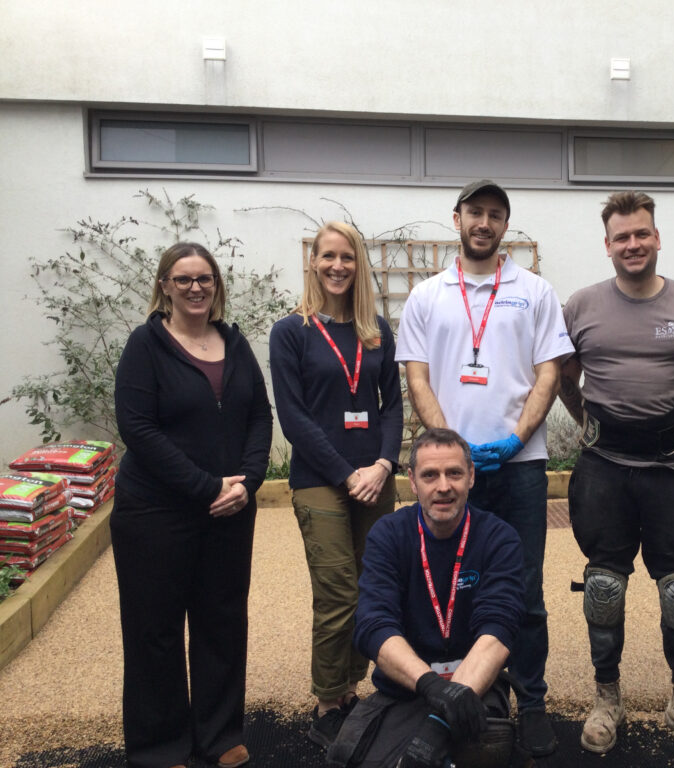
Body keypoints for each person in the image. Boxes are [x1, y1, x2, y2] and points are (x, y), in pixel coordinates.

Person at [395, 179, 574, 756]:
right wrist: (452, 452)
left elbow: (549, 373)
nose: (484, 222)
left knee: (524, 588)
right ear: (458, 219)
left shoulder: (535, 292)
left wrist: (517, 438)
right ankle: (464, 693)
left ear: (505, 225)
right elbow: (417, 376)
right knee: (451, 582)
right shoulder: (427, 295)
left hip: (520, 466)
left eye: (496, 214)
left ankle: (532, 702)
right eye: (475, 211)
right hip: (452, 471)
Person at [558, 191, 674, 758]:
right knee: (603, 586)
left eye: (642, 234)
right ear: (607, 245)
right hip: (603, 467)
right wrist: (591, 425)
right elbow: (566, 378)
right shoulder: (581, 306)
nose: (633, 244)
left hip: (672, 468)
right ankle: (607, 696)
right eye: (622, 237)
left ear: (657, 237)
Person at [112, 242, 273, 768]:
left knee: (222, 622)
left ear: (216, 284)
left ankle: (219, 736)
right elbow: (138, 428)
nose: (196, 288)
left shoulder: (235, 343)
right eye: (183, 279)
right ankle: (161, 748)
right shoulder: (146, 345)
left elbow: (259, 416)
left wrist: (248, 482)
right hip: (155, 512)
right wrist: (207, 488)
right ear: (165, 286)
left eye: (205, 278)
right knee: (154, 630)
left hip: (230, 511)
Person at [269, 221, 403, 748]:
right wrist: (347, 474)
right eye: (328, 256)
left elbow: (391, 405)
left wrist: (384, 465)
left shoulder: (376, 330)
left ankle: (350, 689)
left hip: (374, 476)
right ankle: (327, 701)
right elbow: (293, 417)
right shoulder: (291, 331)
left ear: (358, 263)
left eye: (347, 257)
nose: (338, 266)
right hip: (320, 479)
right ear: (314, 262)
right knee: (337, 590)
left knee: (372, 587)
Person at [326, 428, 525, 768]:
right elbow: (374, 625)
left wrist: (439, 724)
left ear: (471, 476)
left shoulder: (498, 538)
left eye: (454, 473)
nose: (443, 486)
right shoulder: (388, 535)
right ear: (413, 481)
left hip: (475, 686)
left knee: (472, 755)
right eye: (430, 475)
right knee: (346, 758)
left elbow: (499, 627)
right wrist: (430, 685)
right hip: (406, 686)